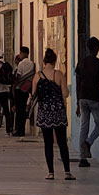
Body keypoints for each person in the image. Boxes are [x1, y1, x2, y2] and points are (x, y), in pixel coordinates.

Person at [31, 48, 76, 181]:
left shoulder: (37, 76)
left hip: (44, 112)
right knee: (62, 142)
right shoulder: (59, 74)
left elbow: (34, 95)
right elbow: (65, 93)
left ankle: (51, 172)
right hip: (58, 112)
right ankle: (67, 171)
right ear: (55, 61)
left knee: (48, 143)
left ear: (44, 61)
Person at [75, 36, 99, 167]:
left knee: (84, 127)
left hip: (82, 98)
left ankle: (82, 158)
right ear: (96, 48)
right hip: (95, 98)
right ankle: (88, 143)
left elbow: (77, 83)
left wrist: (78, 102)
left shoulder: (81, 63)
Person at [12, 46, 35, 136]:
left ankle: (19, 130)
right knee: (23, 109)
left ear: (23, 53)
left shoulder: (21, 64)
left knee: (19, 110)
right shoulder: (32, 64)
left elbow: (18, 76)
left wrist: (15, 85)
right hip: (26, 89)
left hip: (19, 89)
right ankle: (22, 129)